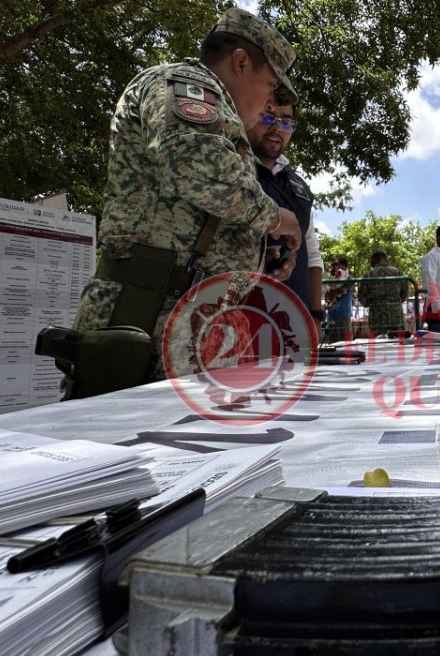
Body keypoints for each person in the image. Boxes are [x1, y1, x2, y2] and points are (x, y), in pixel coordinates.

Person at [71, 7, 302, 383]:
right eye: (270, 86)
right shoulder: (183, 84)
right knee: (124, 440)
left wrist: (260, 259)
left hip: (196, 321)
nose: (268, 106)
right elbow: (193, 163)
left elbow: (200, 223)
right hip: (148, 314)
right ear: (241, 62)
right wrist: (276, 216)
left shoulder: (220, 116)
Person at [248, 102, 326, 335]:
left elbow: (312, 255)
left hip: (293, 326)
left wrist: (315, 315)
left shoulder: (299, 188)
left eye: (286, 122)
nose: (277, 128)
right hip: (238, 322)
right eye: (268, 118)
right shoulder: (230, 171)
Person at [357, 249, 408, 337]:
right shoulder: (398, 273)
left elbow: (362, 299)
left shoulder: (369, 275)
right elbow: (404, 295)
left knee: (378, 345)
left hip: (377, 318)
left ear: (373, 260)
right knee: (397, 343)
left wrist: (373, 302)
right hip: (396, 316)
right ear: (386, 259)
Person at [324, 258, 354, 343]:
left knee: (345, 340)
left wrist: (331, 291)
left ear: (343, 266)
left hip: (343, 313)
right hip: (332, 314)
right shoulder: (333, 280)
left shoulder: (348, 278)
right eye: (333, 266)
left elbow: (343, 290)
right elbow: (327, 297)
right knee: (332, 340)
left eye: (336, 265)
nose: (334, 268)